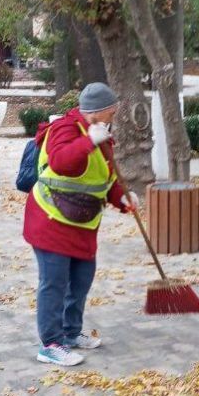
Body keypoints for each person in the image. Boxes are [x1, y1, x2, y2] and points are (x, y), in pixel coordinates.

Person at [22, 82, 137, 367]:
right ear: (97, 111)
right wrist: (89, 142)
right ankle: (51, 344)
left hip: (82, 224)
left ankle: (71, 333)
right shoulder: (64, 128)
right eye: (112, 112)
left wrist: (122, 198)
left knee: (82, 279)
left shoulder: (101, 134)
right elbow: (62, 162)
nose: (114, 117)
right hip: (51, 220)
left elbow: (103, 178)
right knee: (54, 283)